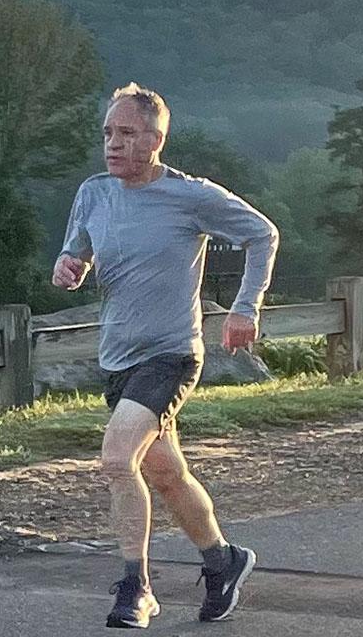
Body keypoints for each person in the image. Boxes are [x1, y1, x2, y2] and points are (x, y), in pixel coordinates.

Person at [52, 83, 279, 628]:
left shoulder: (191, 196)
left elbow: (263, 234)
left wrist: (245, 308)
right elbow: (76, 246)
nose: (112, 144)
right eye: (108, 133)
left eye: (126, 134)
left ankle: (136, 587)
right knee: (167, 475)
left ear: (155, 140)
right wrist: (67, 264)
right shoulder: (94, 192)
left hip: (171, 355)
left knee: (116, 459)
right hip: (118, 359)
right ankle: (223, 561)